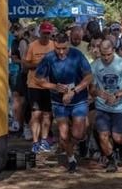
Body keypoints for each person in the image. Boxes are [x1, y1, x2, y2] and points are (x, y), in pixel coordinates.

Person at [35, 33, 93, 173]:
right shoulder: (49, 58)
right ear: (54, 45)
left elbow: (89, 76)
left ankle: (72, 146)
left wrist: (74, 90)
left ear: (68, 45)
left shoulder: (77, 55)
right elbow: (38, 79)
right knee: (63, 134)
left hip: (78, 99)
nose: (61, 52)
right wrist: (53, 86)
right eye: (58, 48)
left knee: (78, 134)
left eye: (64, 48)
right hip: (58, 101)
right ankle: (71, 159)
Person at [90, 40, 122, 172]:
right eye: (103, 54)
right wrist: (100, 93)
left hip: (119, 107)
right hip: (102, 106)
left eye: (108, 54)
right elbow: (92, 89)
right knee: (103, 135)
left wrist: (117, 95)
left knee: (117, 137)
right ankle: (111, 160)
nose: (106, 58)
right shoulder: (95, 66)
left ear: (113, 50)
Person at [23, 21, 55, 153]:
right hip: (34, 85)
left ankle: (44, 140)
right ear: (39, 32)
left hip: (49, 85)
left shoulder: (54, 45)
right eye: (44, 33)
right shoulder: (32, 46)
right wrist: (38, 66)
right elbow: (25, 64)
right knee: (36, 114)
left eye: (48, 33)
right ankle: (35, 142)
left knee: (47, 114)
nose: (46, 36)